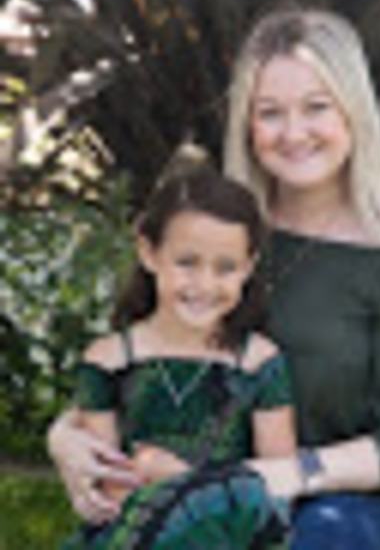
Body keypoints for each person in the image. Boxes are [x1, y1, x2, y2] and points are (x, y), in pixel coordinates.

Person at [49, 9, 380, 549]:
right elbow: (157, 351)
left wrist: (277, 476)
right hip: (198, 489)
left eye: (316, 107)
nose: (293, 133)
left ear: (354, 112)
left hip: (342, 509)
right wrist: (66, 436)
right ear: (247, 124)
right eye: (270, 113)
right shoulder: (217, 237)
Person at [60, 160, 296, 548]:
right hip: (135, 531)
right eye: (187, 262)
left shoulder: (259, 361)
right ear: (149, 253)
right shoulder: (109, 360)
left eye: (226, 268)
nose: (204, 284)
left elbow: (278, 482)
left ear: (249, 267)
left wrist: (171, 474)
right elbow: (111, 488)